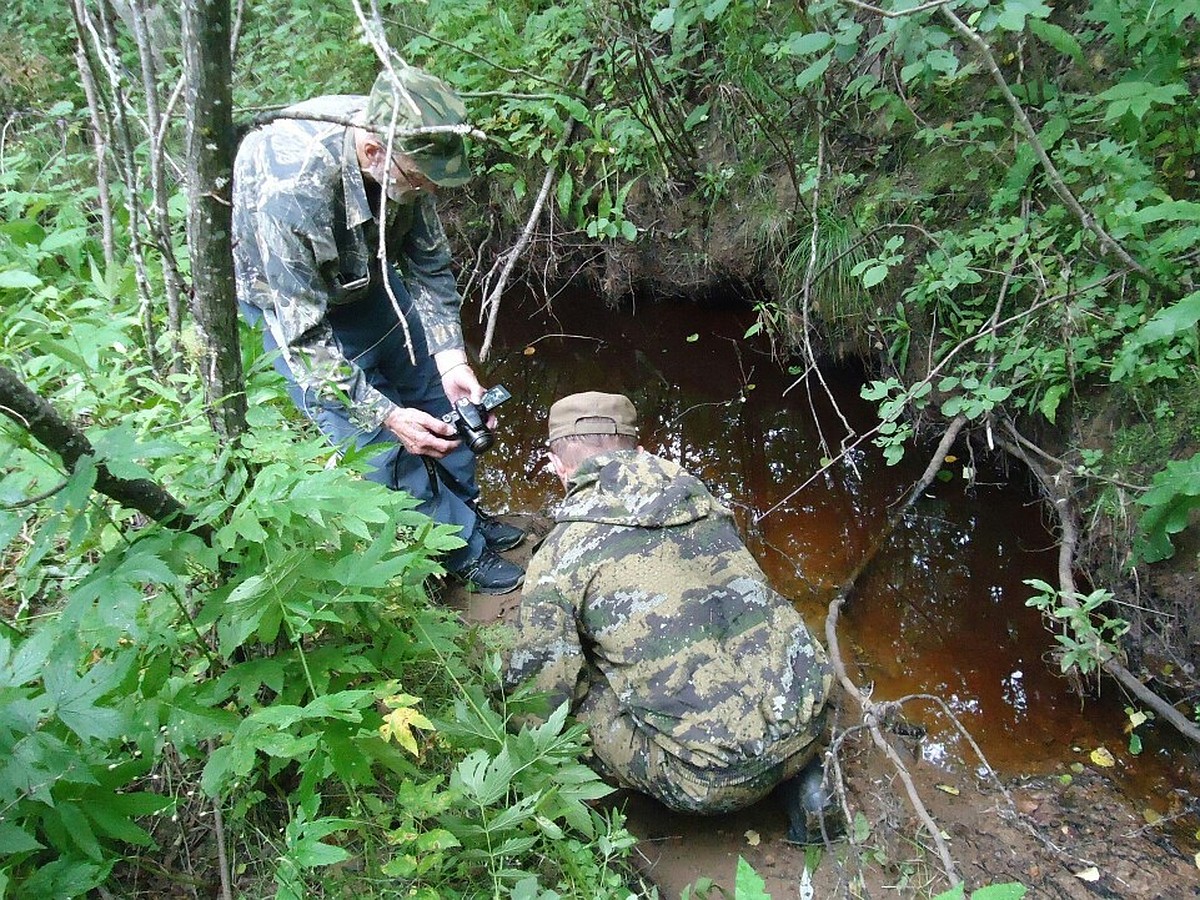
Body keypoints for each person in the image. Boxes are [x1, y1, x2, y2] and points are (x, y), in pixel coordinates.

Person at [232, 63, 524, 594]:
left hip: (364, 273)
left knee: (437, 399)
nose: (427, 190)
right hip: (287, 304)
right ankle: (455, 548)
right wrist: (385, 413)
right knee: (379, 438)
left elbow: (429, 265)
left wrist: (451, 357)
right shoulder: (292, 193)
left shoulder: (409, 140)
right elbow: (304, 335)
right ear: (373, 154)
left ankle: (467, 511)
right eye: (420, 181)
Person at [505, 391, 838, 839]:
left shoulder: (560, 555)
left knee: (576, 681)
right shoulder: (707, 502)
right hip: (809, 721)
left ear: (560, 467)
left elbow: (540, 699)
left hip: (708, 782)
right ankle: (806, 780)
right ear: (640, 451)